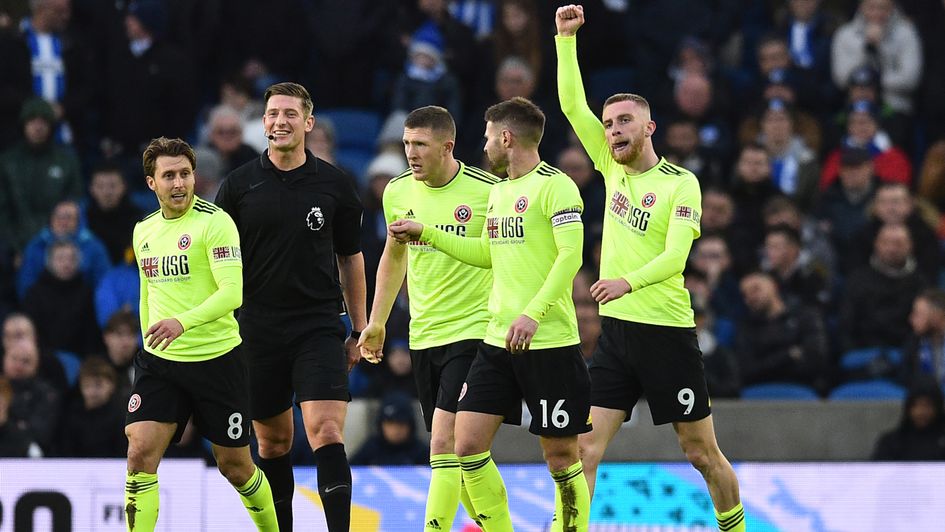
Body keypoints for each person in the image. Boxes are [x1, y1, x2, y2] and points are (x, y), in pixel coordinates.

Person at [555, 5, 745, 532]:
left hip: (666, 331)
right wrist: (565, 40)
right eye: (610, 123)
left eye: (624, 122)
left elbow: (676, 259)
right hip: (616, 336)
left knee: (702, 454)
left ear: (649, 126)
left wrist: (625, 281)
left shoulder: (681, 183)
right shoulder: (610, 168)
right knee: (583, 448)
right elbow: (572, 104)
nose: (613, 130)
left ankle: (737, 527)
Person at [389, 96, 591, 531]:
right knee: (466, 445)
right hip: (496, 340)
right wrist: (429, 233)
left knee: (560, 456)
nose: (482, 147)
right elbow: (487, 254)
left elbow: (570, 256)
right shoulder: (498, 192)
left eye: (486, 138)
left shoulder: (556, 186)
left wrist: (534, 313)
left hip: (549, 340)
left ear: (505, 137)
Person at [215, 82, 366, 532]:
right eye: (272, 114)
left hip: (317, 325)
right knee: (274, 442)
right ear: (262, 123)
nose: (280, 121)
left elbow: (351, 258)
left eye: (290, 114)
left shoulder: (335, 185)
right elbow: (217, 261)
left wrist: (359, 329)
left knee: (325, 430)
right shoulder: (238, 186)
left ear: (308, 123)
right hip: (258, 328)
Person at [124, 137, 277, 531]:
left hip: (217, 360)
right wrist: (147, 338)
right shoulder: (143, 230)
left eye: (185, 174)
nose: (179, 184)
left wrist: (181, 322)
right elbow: (148, 288)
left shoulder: (216, 222)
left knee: (236, 467)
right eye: (169, 176)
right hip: (162, 363)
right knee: (140, 453)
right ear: (151, 183)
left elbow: (233, 293)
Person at [358, 105, 499, 531]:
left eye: (420, 144)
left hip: (476, 332)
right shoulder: (398, 192)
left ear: (447, 146)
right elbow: (393, 256)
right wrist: (377, 321)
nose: (411, 153)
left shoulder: (487, 191)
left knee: (444, 444)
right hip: (424, 336)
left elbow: (505, 258)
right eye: (406, 144)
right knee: (466, 459)